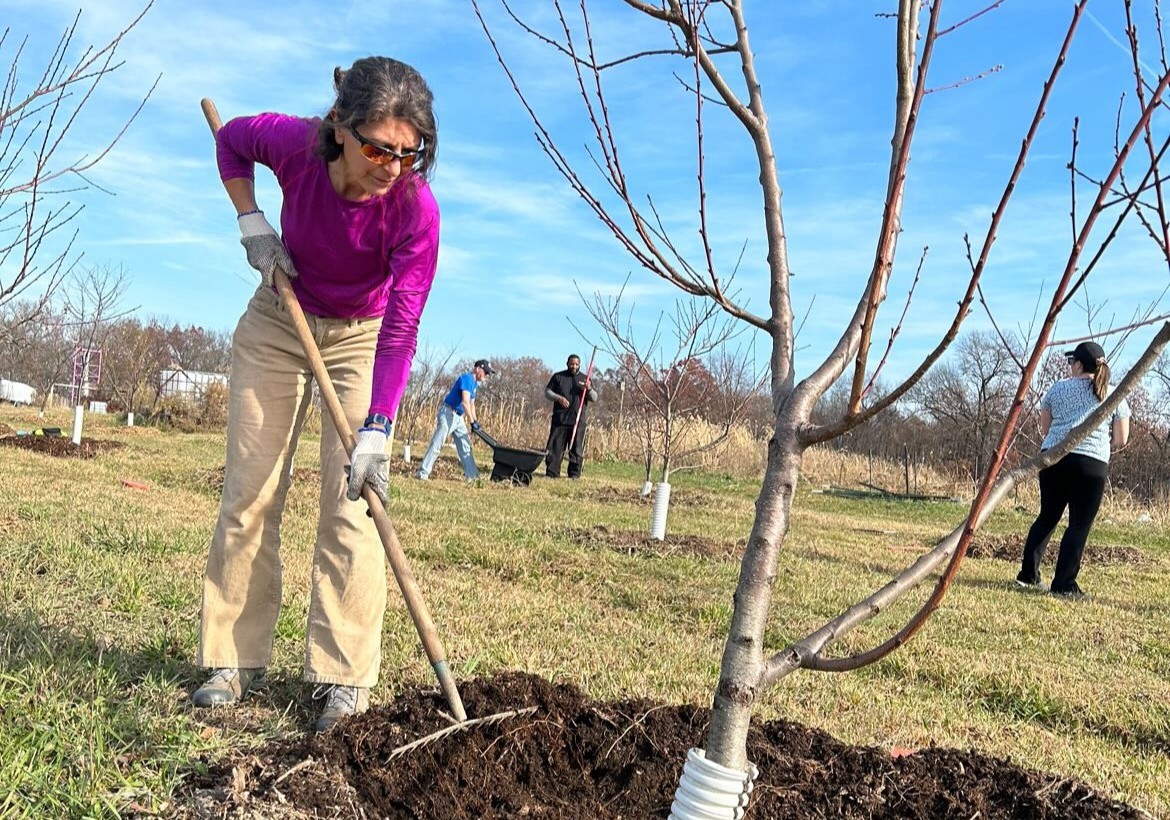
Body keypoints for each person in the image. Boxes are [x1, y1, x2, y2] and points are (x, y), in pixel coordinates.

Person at [193, 57, 441, 733]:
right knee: (251, 488)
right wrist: (253, 225)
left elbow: (401, 328)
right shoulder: (295, 145)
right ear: (340, 127)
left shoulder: (415, 210)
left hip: (361, 337)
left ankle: (341, 679)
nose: (392, 165)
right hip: (282, 313)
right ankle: (232, 660)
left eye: (408, 152)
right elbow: (231, 139)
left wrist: (378, 428)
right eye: (377, 148)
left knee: (353, 505)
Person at [1016, 341, 1130, 600]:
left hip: (1054, 458)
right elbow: (1121, 439)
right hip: (1091, 463)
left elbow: (1046, 429)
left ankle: (1028, 575)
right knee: (1078, 525)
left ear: (1078, 364)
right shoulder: (1113, 393)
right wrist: (1102, 444)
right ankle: (1064, 584)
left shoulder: (1057, 389)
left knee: (1047, 516)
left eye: (1071, 362)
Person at [415, 359, 494, 480]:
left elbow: (472, 405)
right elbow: (465, 402)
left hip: (458, 417)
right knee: (437, 443)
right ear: (478, 369)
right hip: (448, 413)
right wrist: (472, 423)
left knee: (465, 446)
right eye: (486, 372)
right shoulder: (467, 379)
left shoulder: (474, 384)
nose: (486, 375)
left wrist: (476, 421)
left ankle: (473, 478)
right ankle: (422, 473)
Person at [544, 354, 598, 479]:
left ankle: (574, 474)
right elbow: (547, 392)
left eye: (576, 364)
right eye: (571, 363)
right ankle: (552, 473)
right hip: (560, 420)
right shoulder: (558, 377)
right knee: (555, 448)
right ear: (567, 363)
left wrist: (589, 389)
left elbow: (594, 398)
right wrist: (558, 398)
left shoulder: (585, 379)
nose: (574, 366)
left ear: (579, 365)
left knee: (576, 450)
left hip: (577, 422)